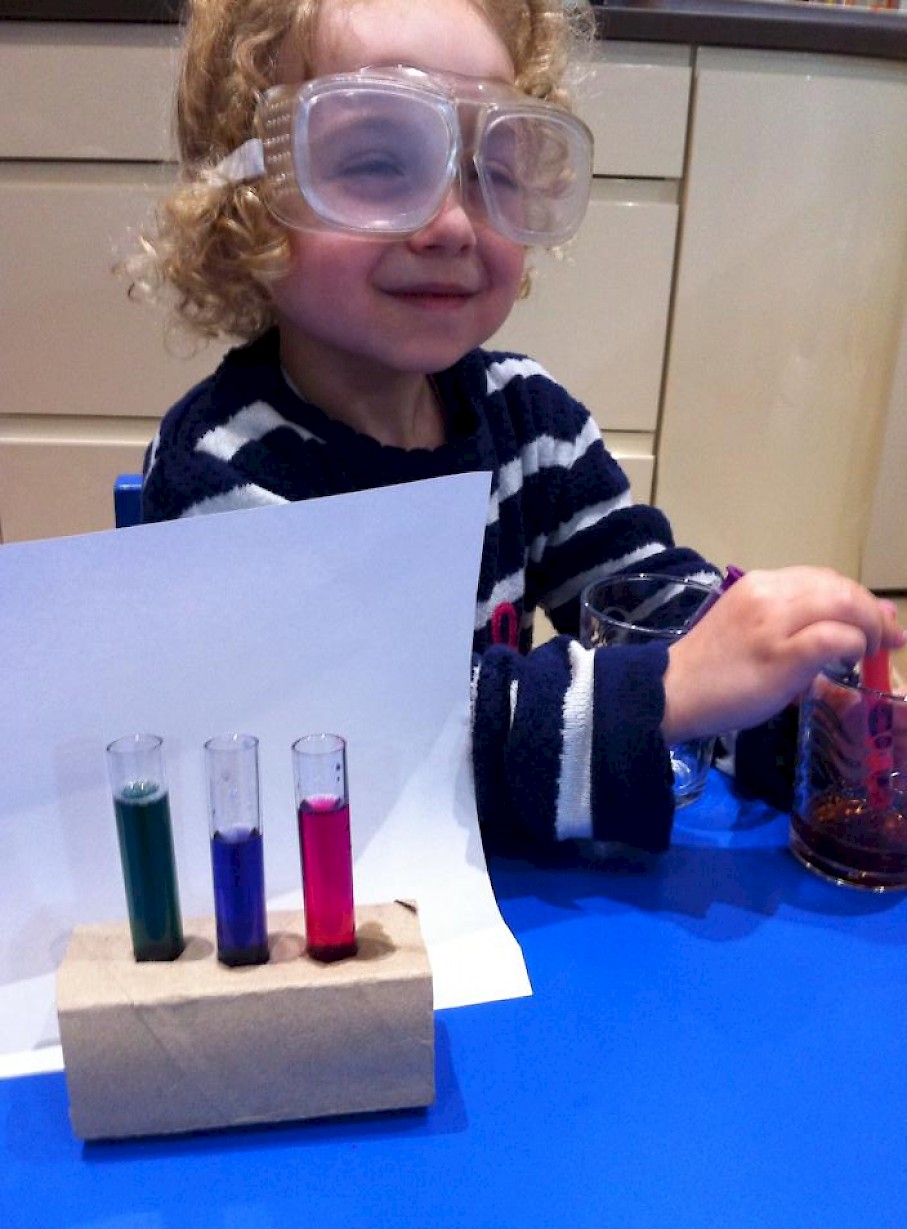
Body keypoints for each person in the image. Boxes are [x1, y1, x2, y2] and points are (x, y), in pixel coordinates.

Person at [130, 0, 903, 855]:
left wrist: (798, 706)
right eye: (381, 162)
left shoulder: (530, 421)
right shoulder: (223, 466)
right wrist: (667, 693)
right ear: (250, 200)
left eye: (492, 169)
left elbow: (647, 611)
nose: (453, 224)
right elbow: (353, 757)